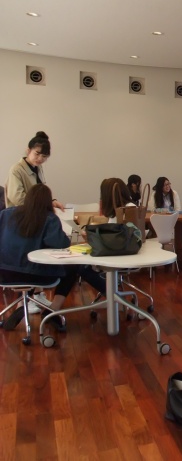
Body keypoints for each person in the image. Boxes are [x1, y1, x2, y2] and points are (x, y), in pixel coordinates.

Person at [0, 185, 106, 332]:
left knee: (24, 264)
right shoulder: (49, 218)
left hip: (4, 274)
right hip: (37, 275)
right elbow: (61, 244)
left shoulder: (5, 214)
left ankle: (22, 305)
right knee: (72, 266)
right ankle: (53, 310)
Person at [5, 131, 65, 210]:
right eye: (37, 154)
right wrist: (44, 205)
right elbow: (17, 198)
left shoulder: (38, 167)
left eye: (44, 156)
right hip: (20, 213)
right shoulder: (16, 170)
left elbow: (41, 192)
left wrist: (51, 201)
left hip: (35, 211)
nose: (40, 158)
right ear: (28, 151)